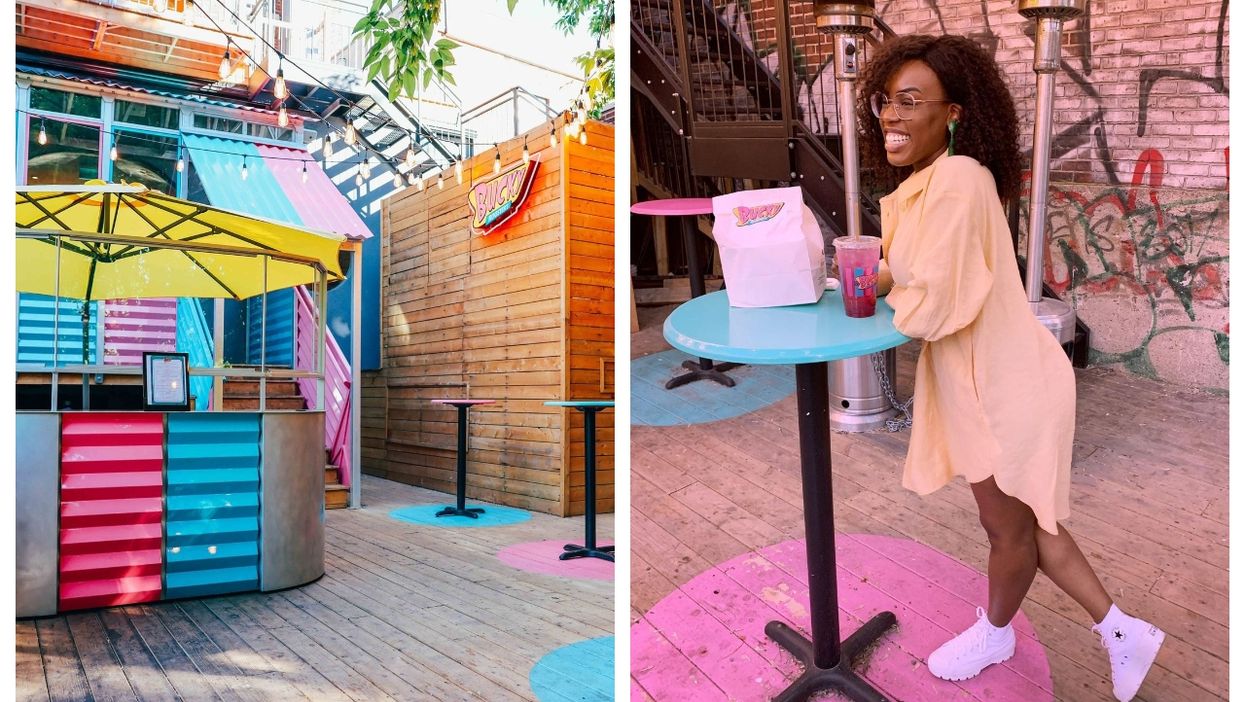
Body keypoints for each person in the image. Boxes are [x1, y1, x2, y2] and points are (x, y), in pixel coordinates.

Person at [854, 34, 1165, 701]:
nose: (891, 115)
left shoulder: (957, 181)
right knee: (1025, 526)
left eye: (910, 101)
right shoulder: (929, 183)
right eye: (885, 100)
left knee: (1009, 531)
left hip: (1002, 385)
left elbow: (936, 306)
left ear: (953, 114)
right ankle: (1120, 631)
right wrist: (866, 277)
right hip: (984, 380)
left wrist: (885, 291)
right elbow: (915, 272)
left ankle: (1000, 633)